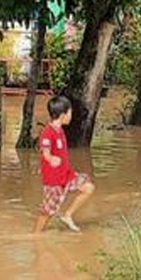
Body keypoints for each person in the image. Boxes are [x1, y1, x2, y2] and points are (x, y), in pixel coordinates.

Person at [36, 95, 94, 233]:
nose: (71, 115)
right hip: (54, 180)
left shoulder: (60, 130)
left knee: (88, 187)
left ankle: (67, 215)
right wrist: (50, 159)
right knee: (47, 212)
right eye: (70, 112)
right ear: (63, 115)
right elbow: (45, 152)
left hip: (67, 175)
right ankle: (35, 237)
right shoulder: (47, 133)